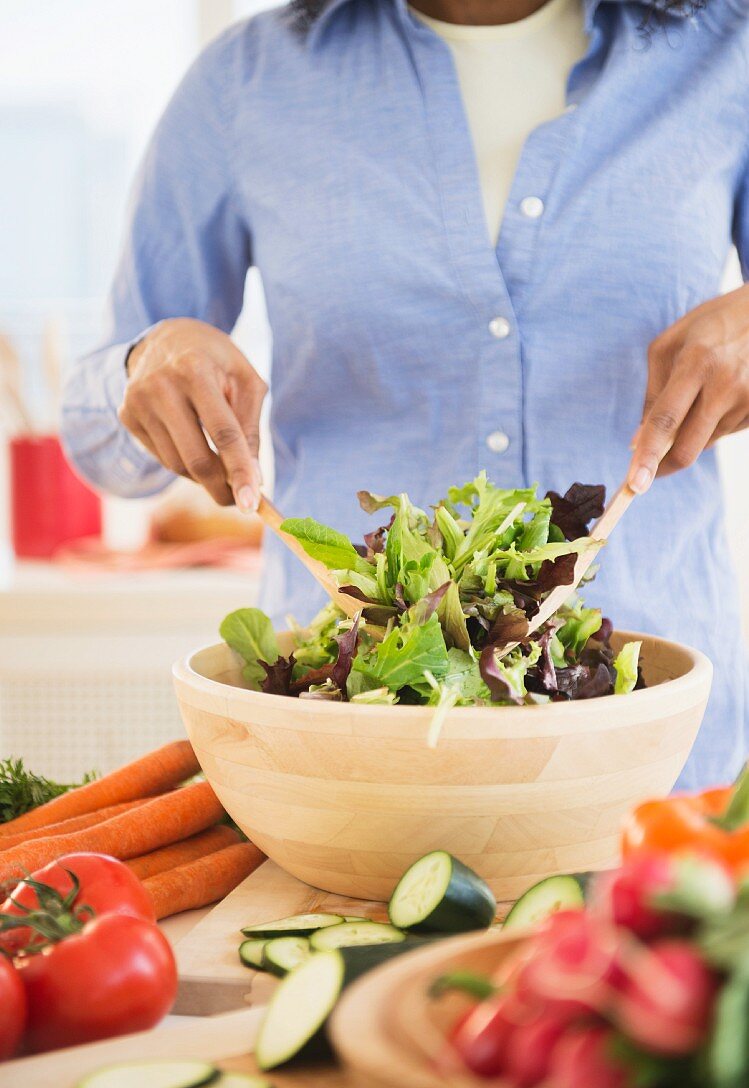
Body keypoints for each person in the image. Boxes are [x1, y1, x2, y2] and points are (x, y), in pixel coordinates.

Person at [62, 0, 749, 789]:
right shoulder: (245, 81)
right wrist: (145, 367)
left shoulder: (723, 52)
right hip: (345, 751)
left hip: (657, 746)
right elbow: (104, 441)